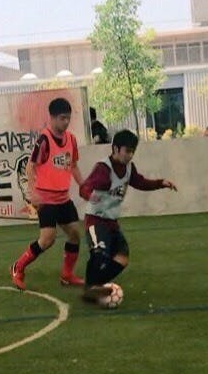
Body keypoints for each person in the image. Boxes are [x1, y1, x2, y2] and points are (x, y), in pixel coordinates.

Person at [79, 129, 177, 301]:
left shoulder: (129, 168)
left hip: (111, 222)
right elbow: (84, 187)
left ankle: (95, 285)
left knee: (122, 258)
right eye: (127, 151)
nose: (130, 155)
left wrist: (161, 183)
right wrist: (89, 195)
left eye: (133, 151)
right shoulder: (103, 169)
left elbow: (140, 182)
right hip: (95, 219)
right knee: (99, 253)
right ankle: (90, 288)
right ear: (116, 149)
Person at [10, 97, 84, 290]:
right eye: (62, 118)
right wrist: (32, 192)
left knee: (75, 234)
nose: (66, 122)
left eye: (68, 118)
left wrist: (83, 185)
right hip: (46, 199)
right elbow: (30, 166)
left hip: (63, 198)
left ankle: (67, 275)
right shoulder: (44, 140)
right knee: (47, 239)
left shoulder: (71, 139)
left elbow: (73, 165)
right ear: (52, 117)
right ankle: (18, 267)